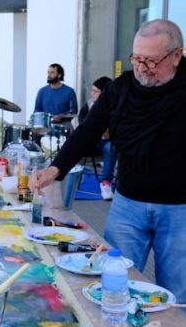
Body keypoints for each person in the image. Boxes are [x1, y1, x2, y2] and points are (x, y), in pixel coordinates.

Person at [33, 19, 186, 308]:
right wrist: (55, 169)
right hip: (128, 204)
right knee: (114, 284)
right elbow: (86, 131)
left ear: (177, 55)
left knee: (176, 294)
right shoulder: (119, 90)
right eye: (137, 59)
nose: (141, 68)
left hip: (181, 210)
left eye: (151, 61)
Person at [77, 76, 116, 200]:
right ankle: (72, 179)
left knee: (110, 147)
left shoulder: (115, 107)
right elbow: (82, 120)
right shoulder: (89, 104)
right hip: (93, 141)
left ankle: (106, 183)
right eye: (92, 90)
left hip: (109, 143)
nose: (92, 94)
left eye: (95, 91)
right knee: (75, 142)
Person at [32, 63, 78, 146]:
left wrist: (61, 116)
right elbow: (37, 109)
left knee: (72, 134)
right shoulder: (42, 91)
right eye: (48, 72)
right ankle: (38, 155)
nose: (49, 75)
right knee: (34, 132)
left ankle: (68, 156)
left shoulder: (69, 91)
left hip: (63, 122)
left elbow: (73, 111)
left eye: (52, 73)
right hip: (46, 123)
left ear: (59, 75)